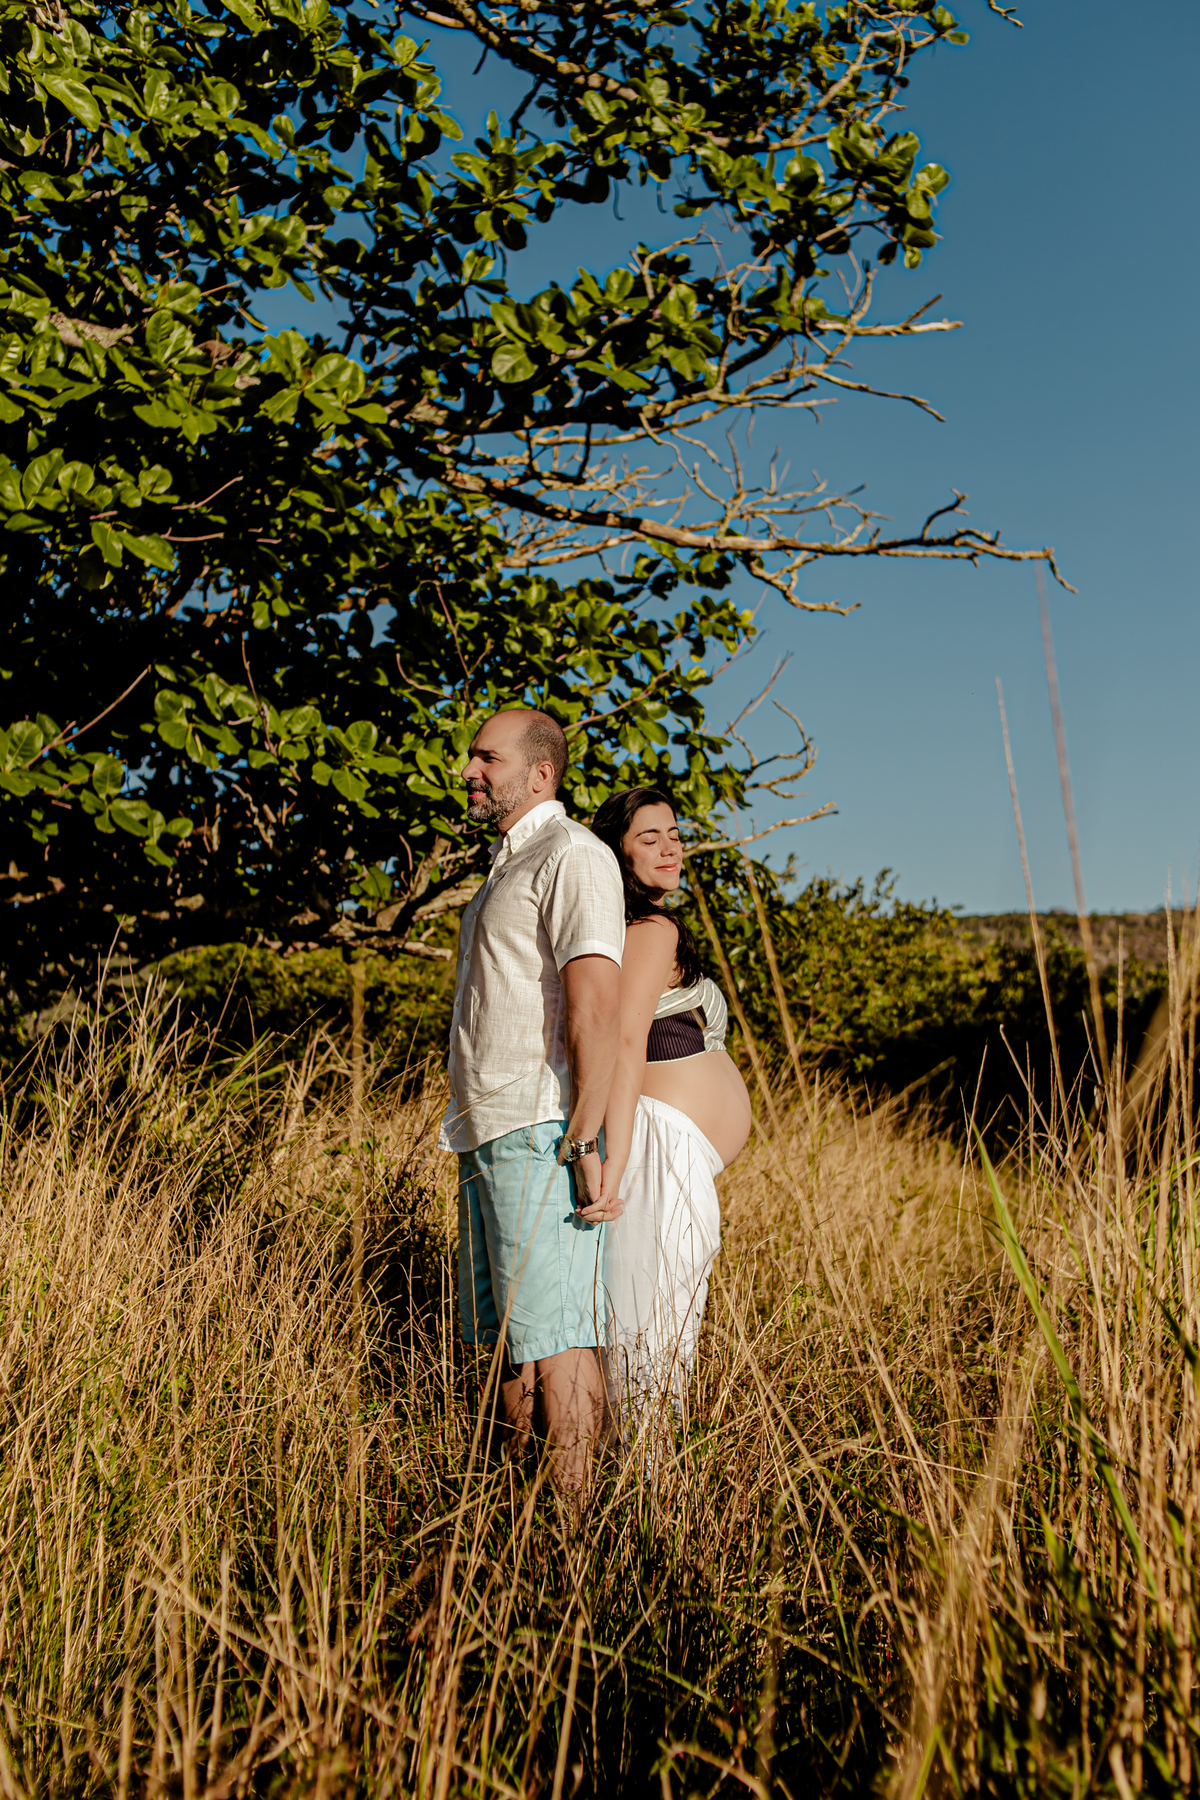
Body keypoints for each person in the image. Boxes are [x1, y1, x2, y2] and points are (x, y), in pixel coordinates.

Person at [439, 708, 625, 1489]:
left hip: (542, 1129)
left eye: (487, 757)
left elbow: (594, 1011)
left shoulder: (573, 855)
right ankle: (516, 1529)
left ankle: (580, 1543)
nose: (469, 771)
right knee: (509, 1340)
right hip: (485, 1131)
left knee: (557, 1338)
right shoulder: (508, 863)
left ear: (540, 773)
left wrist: (585, 1142)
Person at [588, 787, 752, 1426]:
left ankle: (637, 1484)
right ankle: (646, 1494)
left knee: (651, 1319)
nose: (669, 848)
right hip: (654, 1146)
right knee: (653, 1325)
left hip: (665, 1145)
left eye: (675, 834)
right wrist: (618, 1155)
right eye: (648, 837)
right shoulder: (652, 928)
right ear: (618, 854)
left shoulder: (634, 929)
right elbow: (624, 1041)